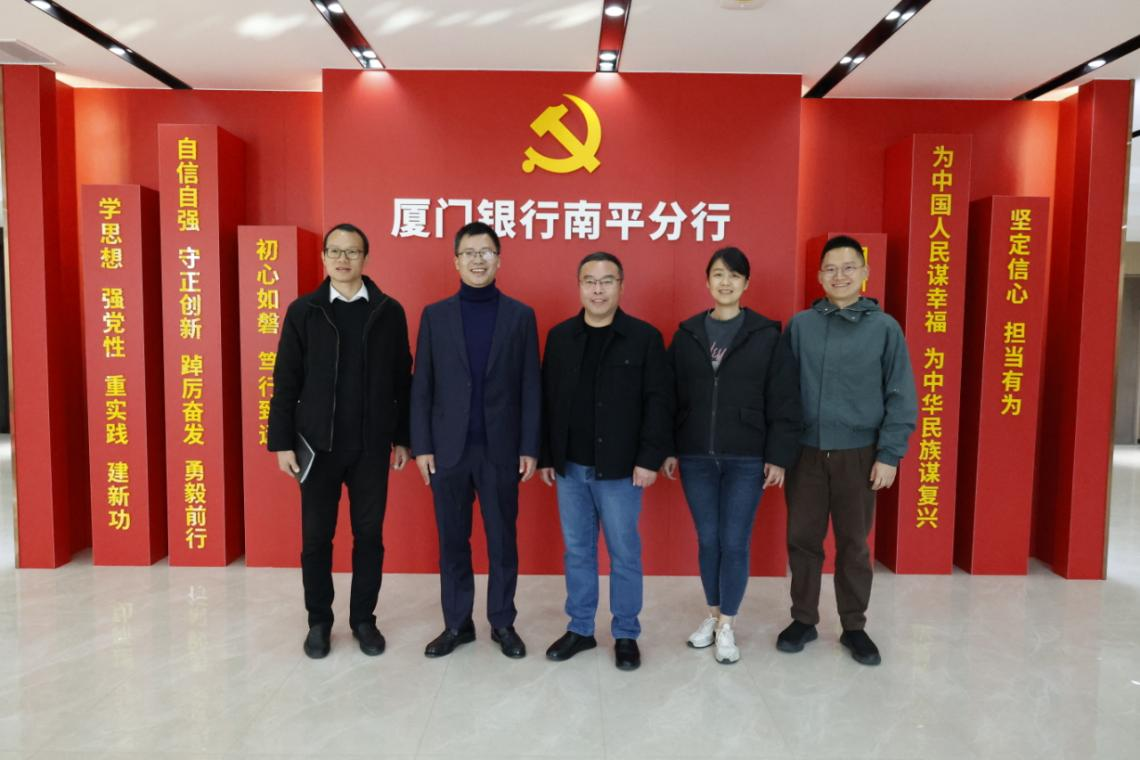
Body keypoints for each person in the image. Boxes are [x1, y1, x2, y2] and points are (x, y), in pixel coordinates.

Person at [267, 223, 412, 659]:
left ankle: (364, 620)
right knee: (316, 539)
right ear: (324, 257)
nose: (343, 259)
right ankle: (319, 621)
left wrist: (403, 438)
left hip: (370, 447)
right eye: (335, 251)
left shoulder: (388, 310)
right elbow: (285, 379)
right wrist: (282, 442)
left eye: (352, 252)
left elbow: (402, 381)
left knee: (369, 537)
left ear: (365, 258)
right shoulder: (304, 310)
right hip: (317, 447)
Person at [777, 234, 917, 666]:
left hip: (859, 454)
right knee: (802, 540)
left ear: (864, 273)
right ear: (820, 276)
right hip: (805, 453)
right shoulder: (800, 326)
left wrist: (889, 454)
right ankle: (803, 618)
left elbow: (901, 395)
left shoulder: (884, 328)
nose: (839, 275)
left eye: (848, 267)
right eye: (831, 269)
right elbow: (781, 394)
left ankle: (854, 625)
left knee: (854, 544)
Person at [661, 247, 801, 664]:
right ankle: (712, 614)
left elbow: (783, 398)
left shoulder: (766, 335)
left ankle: (728, 624)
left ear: (746, 283)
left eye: (735, 276)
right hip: (696, 457)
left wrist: (777, 455)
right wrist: (668, 448)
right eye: (719, 275)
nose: (726, 282)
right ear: (707, 281)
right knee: (708, 539)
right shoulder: (687, 334)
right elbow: (667, 396)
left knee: (734, 541)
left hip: (747, 458)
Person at [410, 221, 541, 659]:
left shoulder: (520, 316)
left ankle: (502, 622)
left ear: (499, 260)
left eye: (486, 252)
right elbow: (422, 385)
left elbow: (530, 385)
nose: (478, 260)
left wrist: (529, 446)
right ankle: (457, 624)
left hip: (500, 450)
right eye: (469, 253)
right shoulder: (435, 316)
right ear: (456, 261)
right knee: (452, 541)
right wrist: (422, 446)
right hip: (448, 450)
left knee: (502, 541)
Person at [539, 252, 672, 671]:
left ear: (621, 285)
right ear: (579, 286)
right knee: (578, 552)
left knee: (624, 553)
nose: (598, 289)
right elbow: (547, 400)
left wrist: (649, 458)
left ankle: (626, 633)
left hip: (621, 470)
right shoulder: (560, 337)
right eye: (590, 281)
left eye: (607, 281)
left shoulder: (644, 337)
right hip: (570, 469)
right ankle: (580, 628)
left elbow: (659, 402)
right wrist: (547, 456)